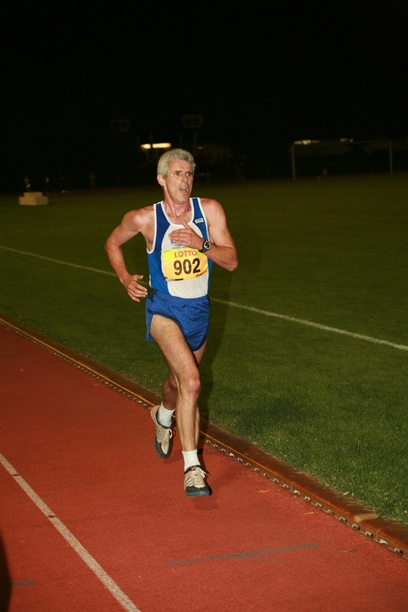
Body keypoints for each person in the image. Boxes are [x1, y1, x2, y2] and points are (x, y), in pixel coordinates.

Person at [105, 148, 238, 496]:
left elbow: (232, 261)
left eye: (189, 174)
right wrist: (124, 277)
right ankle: (193, 468)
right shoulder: (145, 218)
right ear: (162, 179)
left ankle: (163, 415)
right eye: (178, 173)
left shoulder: (209, 211)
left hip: (198, 312)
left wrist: (200, 244)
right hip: (163, 310)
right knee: (191, 382)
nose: (185, 180)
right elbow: (112, 242)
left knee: (177, 384)